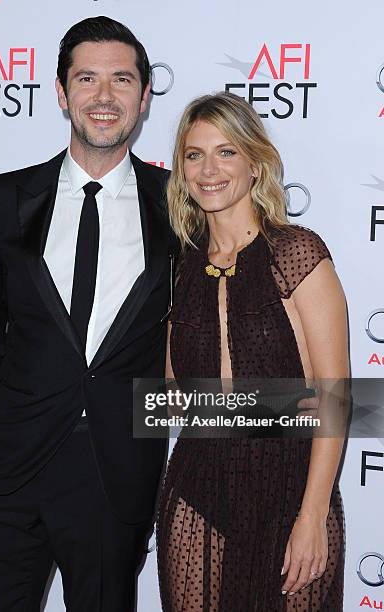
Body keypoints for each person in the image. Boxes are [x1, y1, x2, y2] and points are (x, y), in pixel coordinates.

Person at [0, 16, 176, 611]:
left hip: (114, 471)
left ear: (145, 95)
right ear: (59, 91)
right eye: (87, 79)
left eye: (122, 79)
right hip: (7, 471)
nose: (104, 97)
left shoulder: (179, 205)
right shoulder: (6, 198)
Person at [156, 92, 348, 611]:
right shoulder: (180, 269)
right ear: (181, 170)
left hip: (292, 491)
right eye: (194, 155)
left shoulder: (297, 253)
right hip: (198, 493)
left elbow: (334, 399)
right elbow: (173, 399)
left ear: (255, 164)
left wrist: (311, 517)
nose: (209, 169)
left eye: (226, 152)